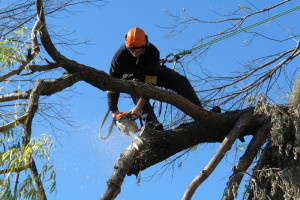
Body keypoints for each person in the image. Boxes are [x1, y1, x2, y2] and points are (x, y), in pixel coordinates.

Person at [107, 27, 202, 130]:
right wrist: (114, 110)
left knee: (180, 81)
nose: (135, 54)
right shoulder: (119, 58)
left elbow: (149, 85)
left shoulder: (152, 52)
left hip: (150, 74)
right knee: (135, 85)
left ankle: (201, 113)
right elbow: (112, 84)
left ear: (144, 45)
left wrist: (138, 108)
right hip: (131, 78)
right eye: (132, 51)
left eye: (138, 51)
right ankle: (152, 123)